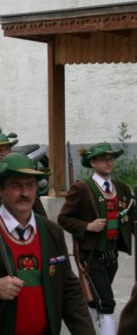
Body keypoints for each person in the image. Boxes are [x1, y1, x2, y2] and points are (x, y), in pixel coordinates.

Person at [0, 152, 96, 334]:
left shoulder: (51, 231)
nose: (24, 193)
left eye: (30, 185)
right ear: (0, 190)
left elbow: (68, 289)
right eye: (16, 186)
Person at [58, 142, 133, 335]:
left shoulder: (122, 188)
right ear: (93, 162)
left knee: (95, 299)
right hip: (91, 255)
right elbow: (63, 218)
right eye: (103, 159)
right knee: (106, 302)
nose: (108, 163)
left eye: (110, 159)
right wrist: (87, 226)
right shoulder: (83, 188)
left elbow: (131, 217)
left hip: (112, 253)